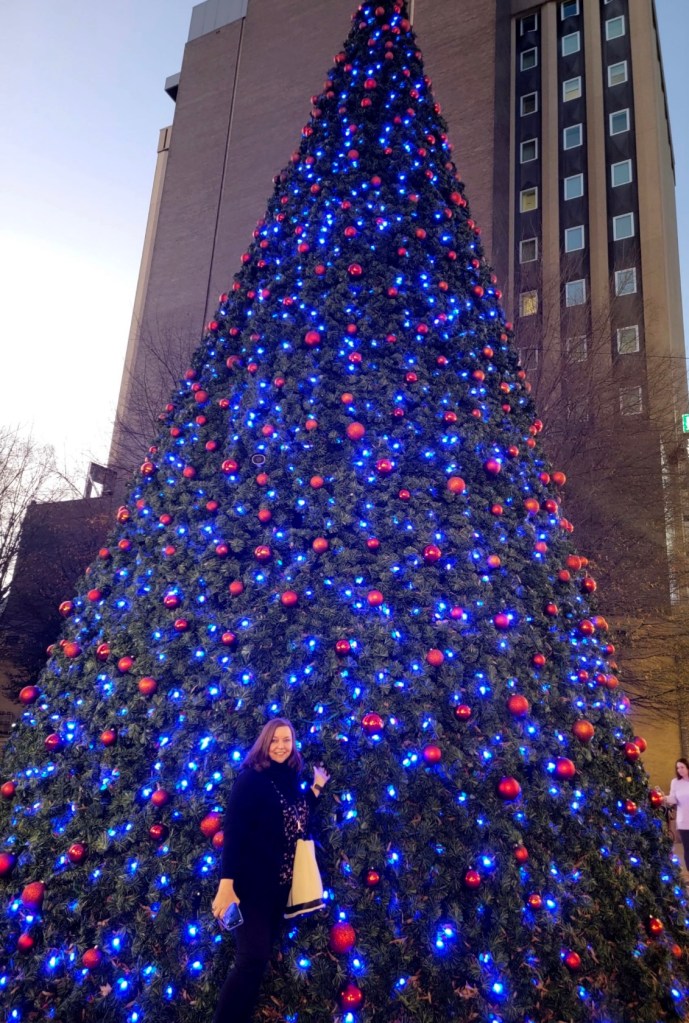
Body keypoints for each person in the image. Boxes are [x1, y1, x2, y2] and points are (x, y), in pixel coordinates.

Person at [211, 718, 330, 1023]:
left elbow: (298, 814)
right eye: (274, 740)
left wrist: (317, 786)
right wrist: (226, 885)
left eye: (286, 740)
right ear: (264, 743)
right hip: (251, 888)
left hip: (278, 890)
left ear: (293, 744)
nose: (280, 746)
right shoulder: (251, 780)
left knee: (257, 962)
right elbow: (234, 832)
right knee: (251, 959)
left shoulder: (288, 779)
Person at [661, 758, 689, 871]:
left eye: (682, 767)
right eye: (678, 768)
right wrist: (664, 798)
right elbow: (673, 799)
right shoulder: (675, 782)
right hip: (684, 822)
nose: (680, 770)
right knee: (687, 849)